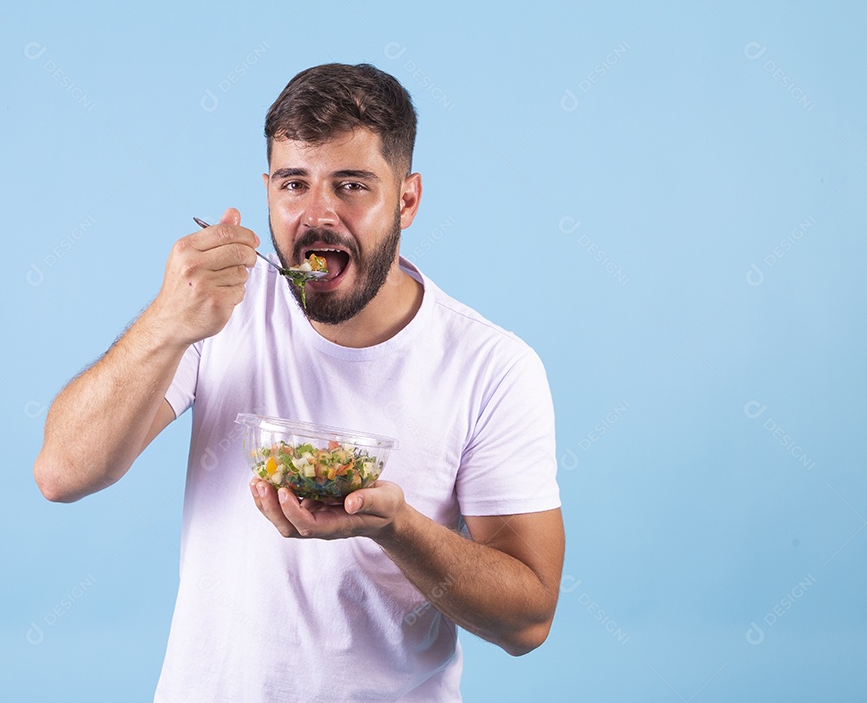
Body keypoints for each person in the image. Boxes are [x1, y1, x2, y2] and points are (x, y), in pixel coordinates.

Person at [33, 62, 564, 702]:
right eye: (294, 183)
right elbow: (62, 473)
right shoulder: (220, 312)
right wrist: (168, 322)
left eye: (351, 185)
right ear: (266, 192)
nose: (317, 215)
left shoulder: (492, 367)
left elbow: (528, 619)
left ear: (408, 199)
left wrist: (395, 527)